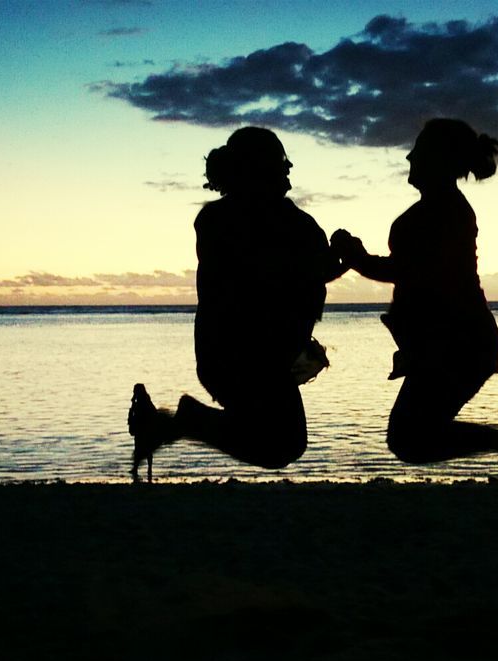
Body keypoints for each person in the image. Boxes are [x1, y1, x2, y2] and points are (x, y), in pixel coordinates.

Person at [330, 118, 498, 481]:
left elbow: (408, 270)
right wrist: (356, 257)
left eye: (418, 150)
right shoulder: (439, 208)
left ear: (437, 159)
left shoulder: (446, 210)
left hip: (458, 341)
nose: (409, 156)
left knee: (409, 438)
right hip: (448, 340)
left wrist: (356, 256)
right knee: (410, 437)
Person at [137, 127, 345, 474]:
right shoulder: (249, 221)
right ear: (259, 169)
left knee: (281, 442)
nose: (288, 171)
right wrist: (340, 258)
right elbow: (278, 274)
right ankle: (187, 421)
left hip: (246, 354)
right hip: (244, 356)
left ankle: (177, 423)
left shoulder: (230, 219)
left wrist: (337, 259)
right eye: (281, 164)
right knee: (283, 444)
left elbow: (300, 273)